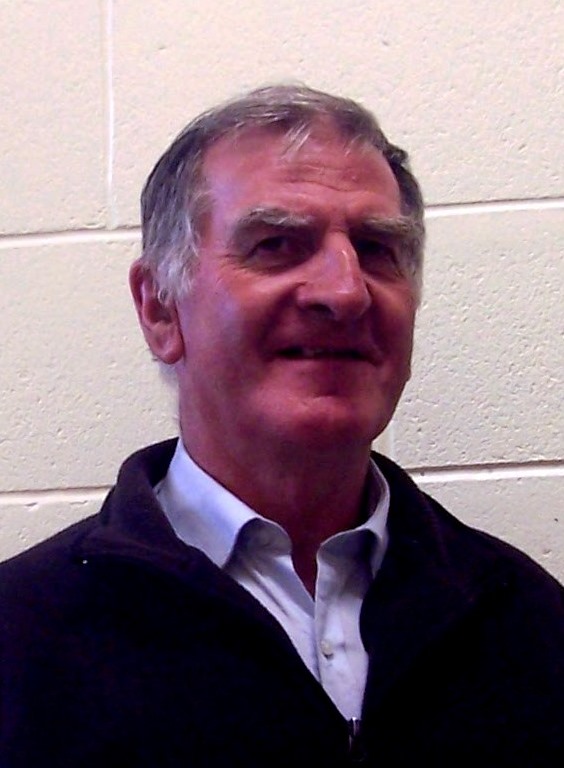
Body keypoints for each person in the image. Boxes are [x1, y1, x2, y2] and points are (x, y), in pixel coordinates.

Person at [0, 85, 562, 768]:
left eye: (377, 249)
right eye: (276, 245)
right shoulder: (21, 639)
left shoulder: (529, 621)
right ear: (160, 309)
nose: (345, 291)